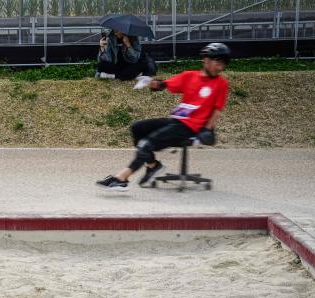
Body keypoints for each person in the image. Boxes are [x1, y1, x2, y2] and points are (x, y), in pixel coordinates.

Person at [96, 43, 230, 191]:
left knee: (146, 144)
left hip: (191, 128)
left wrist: (208, 129)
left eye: (222, 64)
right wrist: (151, 83)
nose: (220, 68)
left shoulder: (221, 84)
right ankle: (153, 166)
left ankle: (121, 179)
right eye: (217, 63)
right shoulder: (189, 76)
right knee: (138, 128)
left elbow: (217, 110)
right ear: (205, 60)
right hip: (176, 121)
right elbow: (165, 84)